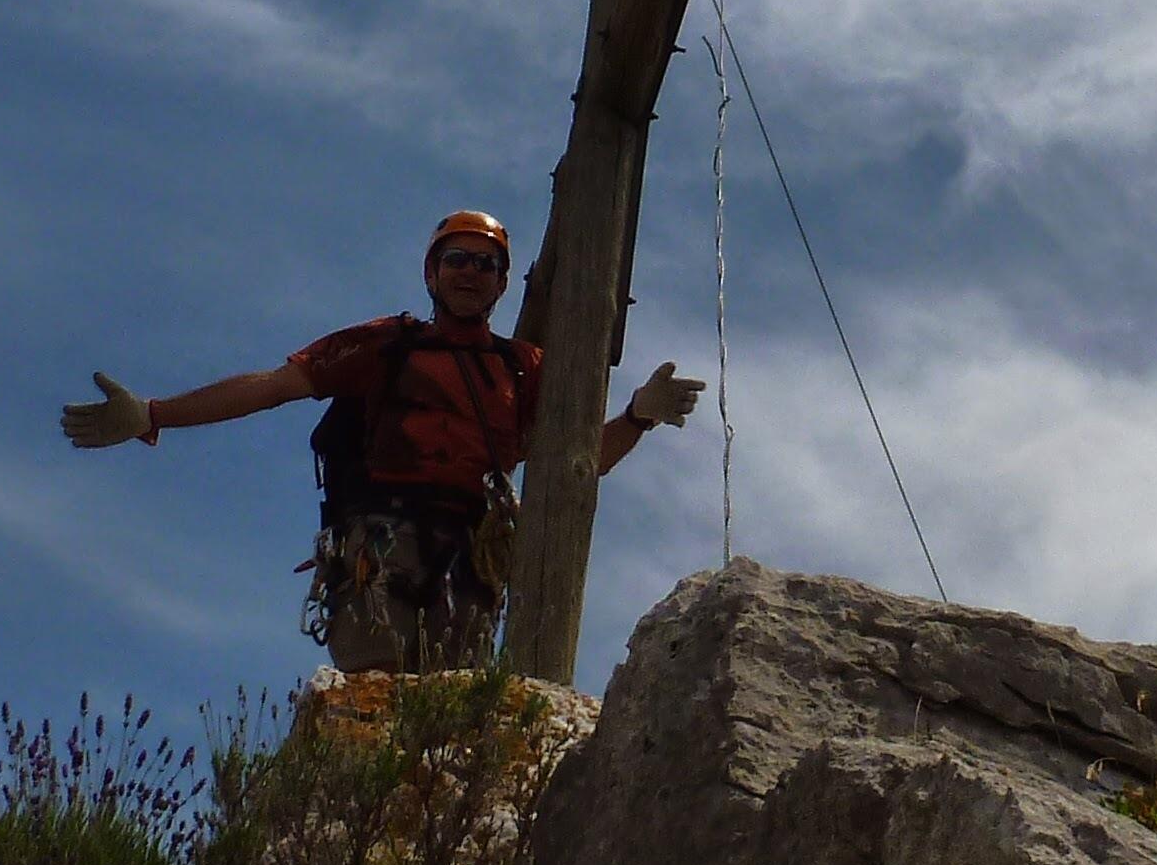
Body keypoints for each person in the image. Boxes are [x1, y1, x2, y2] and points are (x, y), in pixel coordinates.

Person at [61, 209, 703, 672]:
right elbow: (273, 387)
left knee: (453, 711)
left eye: (486, 264)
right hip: (382, 540)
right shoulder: (387, 344)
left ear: (503, 283)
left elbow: (574, 465)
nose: (471, 272)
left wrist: (637, 417)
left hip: (473, 554)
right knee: (374, 687)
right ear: (432, 273)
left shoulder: (523, 369)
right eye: (457, 259)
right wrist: (154, 414)